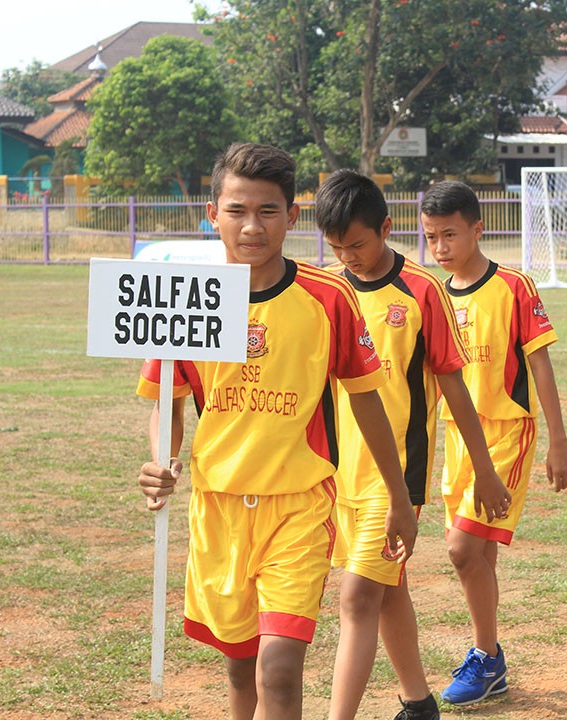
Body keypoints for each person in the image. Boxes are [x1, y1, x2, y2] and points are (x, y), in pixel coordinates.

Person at [135, 143, 418, 720]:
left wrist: (398, 496)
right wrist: (160, 461)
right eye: (236, 210)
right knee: (241, 669)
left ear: (292, 217)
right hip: (218, 509)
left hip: (299, 507)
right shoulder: (189, 298)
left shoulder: (328, 298)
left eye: (268, 211)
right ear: (212, 213)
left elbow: (368, 404)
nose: (252, 226)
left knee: (281, 669)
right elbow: (170, 400)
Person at [314, 170, 508, 720]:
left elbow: (455, 390)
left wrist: (486, 471)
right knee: (387, 589)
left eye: (358, 244)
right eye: (336, 247)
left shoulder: (422, 291)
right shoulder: (328, 291)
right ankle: (419, 703)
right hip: (335, 474)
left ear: (386, 228)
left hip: (395, 477)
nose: (348, 256)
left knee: (356, 598)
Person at [421, 180, 567, 705]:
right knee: (477, 554)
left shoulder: (513, 285)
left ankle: (486, 657)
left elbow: (539, 362)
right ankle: (491, 662)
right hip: (457, 438)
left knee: (463, 548)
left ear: (477, 228)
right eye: (431, 237)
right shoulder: (433, 294)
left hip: (507, 431)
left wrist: (559, 441)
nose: (440, 247)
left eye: (450, 234)